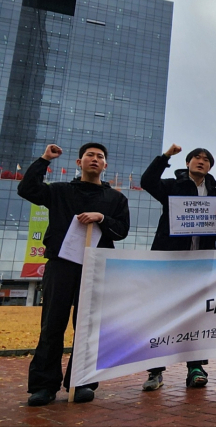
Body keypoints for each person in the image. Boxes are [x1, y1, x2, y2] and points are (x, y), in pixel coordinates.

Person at [18, 143, 130, 406]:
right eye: (90, 155)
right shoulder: (59, 191)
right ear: (79, 162)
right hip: (61, 264)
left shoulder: (115, 199)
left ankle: (81, 382)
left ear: (105, 165)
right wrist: (45, 159)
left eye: (100, 156)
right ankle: (44, 386)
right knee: (52, 324)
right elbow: (27, 189)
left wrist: (102, 217)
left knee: (87, 326)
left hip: (95, 267)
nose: (95, 159)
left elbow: (122, 230)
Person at [139, 144, 216, 391]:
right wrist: (165, 156)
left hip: (200, 263)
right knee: (162, 314)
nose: (201, 162)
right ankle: (155, 371)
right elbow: (147, 181)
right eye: (196, 158)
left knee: (196, 316)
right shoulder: (171, 186)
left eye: (206, 159)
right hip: (169, 261)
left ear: (210, 166)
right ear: (188, 162)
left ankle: (196, 367)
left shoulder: (215, 193)